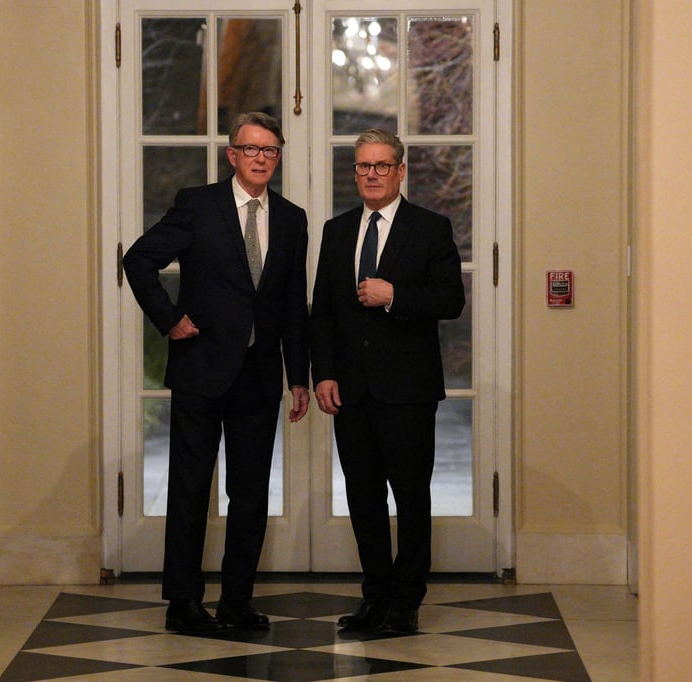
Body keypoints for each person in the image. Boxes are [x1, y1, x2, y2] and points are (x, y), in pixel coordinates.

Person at [123, 112, 310, 635]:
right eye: (251, 149)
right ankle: (182, 603)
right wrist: (169, 319)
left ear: (278, 157)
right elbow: (139, 260)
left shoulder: (293, 218)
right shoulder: (197, 205)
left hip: (257, 377)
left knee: (249, 495)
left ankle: (237, 602)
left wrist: (299, 376)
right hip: (201, 370)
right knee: (189, 489)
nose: (260, 159)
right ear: (232, 155)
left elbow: (294, 302)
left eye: (269, 151)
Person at [310, 128, 465, 633]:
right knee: (363, 498)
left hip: (408, 392)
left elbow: (450, 300)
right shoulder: (336, 231)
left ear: (400, 171)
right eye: (362, 166)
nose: (371, 174)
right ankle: (374, 596)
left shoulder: (430, 228)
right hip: (350, 391)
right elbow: (324, 313)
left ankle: (406, 601)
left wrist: (395, 295)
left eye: (381, 165)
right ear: (354, 172)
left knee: (412, 498)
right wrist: (324, 373)